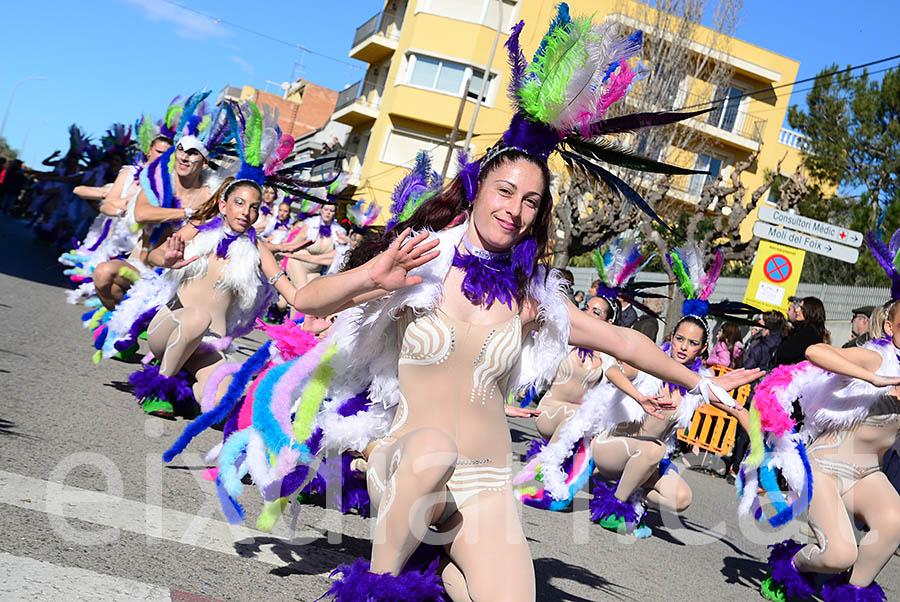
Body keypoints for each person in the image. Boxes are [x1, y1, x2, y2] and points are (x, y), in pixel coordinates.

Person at [199, 8, 760, 599]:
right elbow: (311, 297)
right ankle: (379, 585)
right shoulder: (418, 262)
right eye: (505, 191)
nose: (514, 209)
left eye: (530, 202)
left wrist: (702, 383)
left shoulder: (533, 300)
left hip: (486, 486)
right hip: (409, 461)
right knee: (433, 452)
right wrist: (377, 272)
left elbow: (624, 341)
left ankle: (444, 567)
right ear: (477, 189)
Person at [775, 296, 826, 366]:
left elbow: (784, 354)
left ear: (810, 311)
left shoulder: (808, 333)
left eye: (801, 308)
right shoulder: (804, 329)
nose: (797, 310)